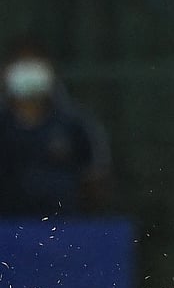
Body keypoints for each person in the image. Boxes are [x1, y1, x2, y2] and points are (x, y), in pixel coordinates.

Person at [0, 38, 112, 218]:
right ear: (5, 71)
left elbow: (95, 181)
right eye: (21, 63)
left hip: (65, 229)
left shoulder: (77, 124)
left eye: (35, 63)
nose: (28, 70)